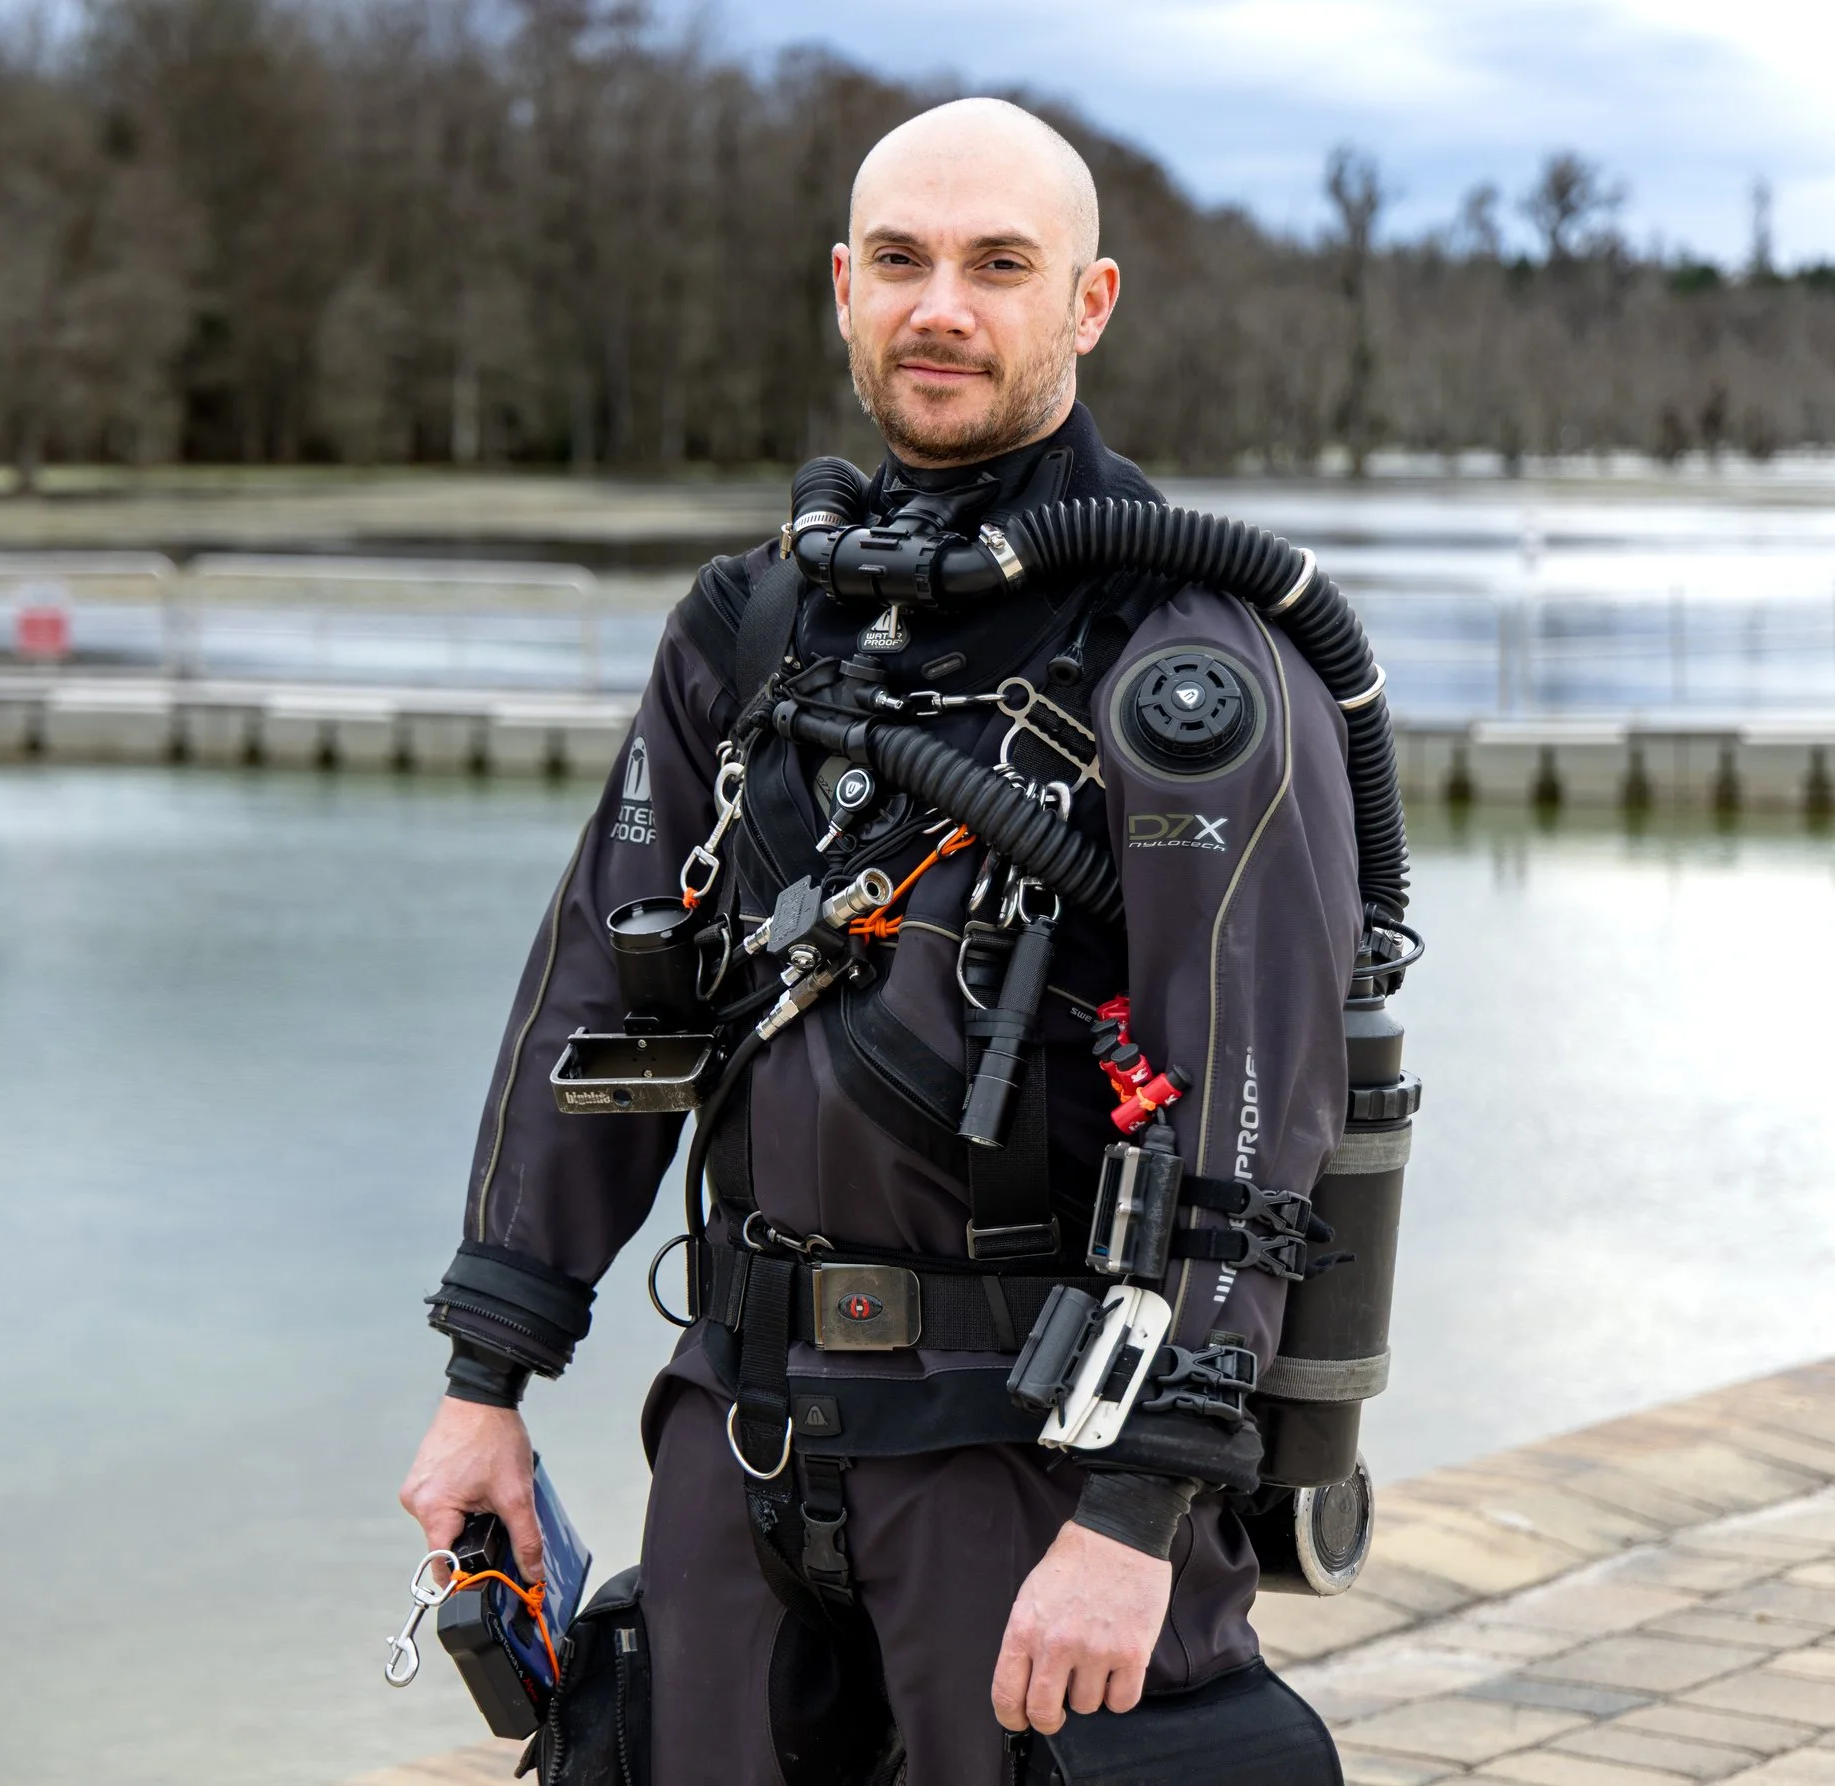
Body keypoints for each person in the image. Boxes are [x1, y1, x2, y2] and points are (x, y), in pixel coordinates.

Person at [401, 96, 1363, 1783]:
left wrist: (1140, 1511)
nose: (943, 305)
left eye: (1001, 265)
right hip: (740, 1430)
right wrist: (491, 1375)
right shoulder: (748, 628)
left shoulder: (1195, 659)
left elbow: (1257, 1121)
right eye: (904, 261)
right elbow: (592, 1009)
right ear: (844, 286)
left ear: (1090, 302)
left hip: (1031, 1458)